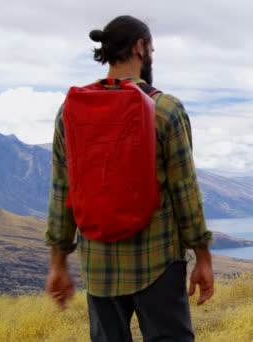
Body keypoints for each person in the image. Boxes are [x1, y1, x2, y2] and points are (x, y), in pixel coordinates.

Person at [45, 15, 214, 342]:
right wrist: (203, 258)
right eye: (151, 48)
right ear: (139, 48)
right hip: (158, 261)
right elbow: (186, 193)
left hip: (98, 265)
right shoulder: (165, 109)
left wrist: (58, 263)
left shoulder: (70, 111)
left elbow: (61, 191)